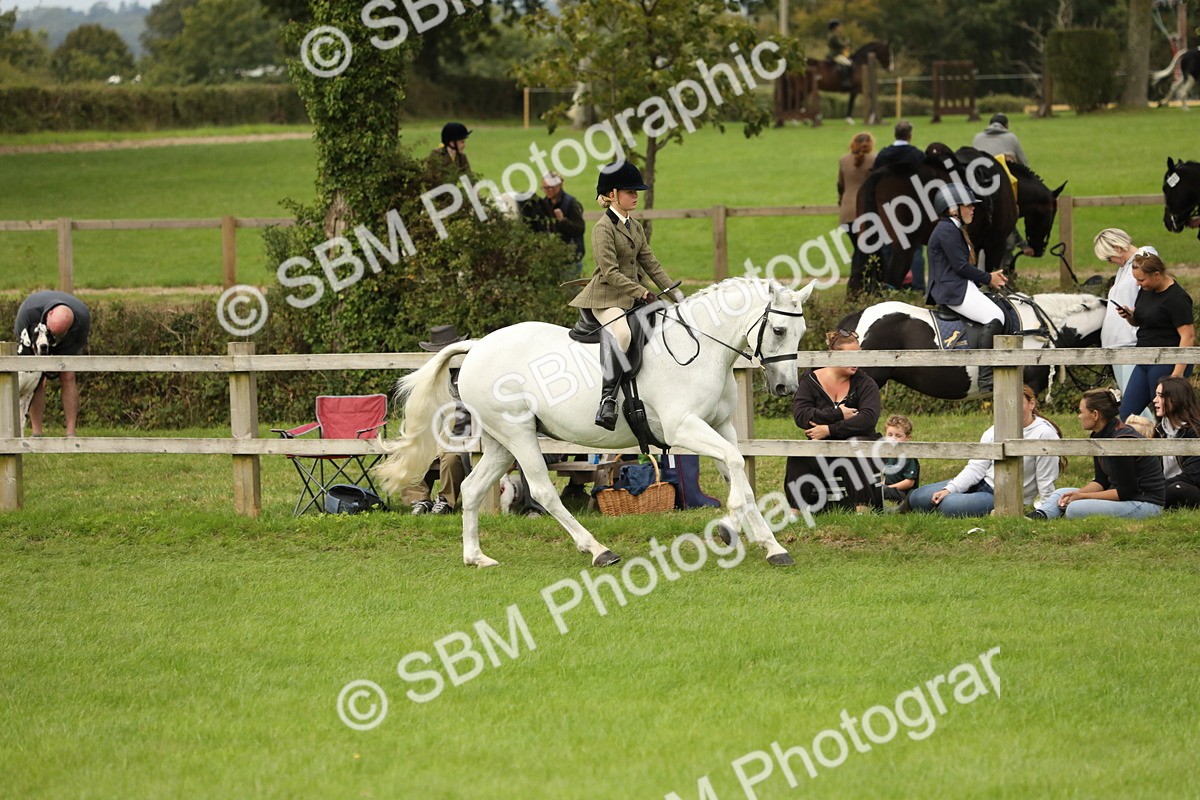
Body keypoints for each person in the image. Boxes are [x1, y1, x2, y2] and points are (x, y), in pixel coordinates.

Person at [569, 161, 682, 430]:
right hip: (606, 298)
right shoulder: (602, 229)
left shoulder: (635, 226)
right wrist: (642, 291)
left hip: (631, 297)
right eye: (630, 191)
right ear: (612, 195)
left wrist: (678, 296)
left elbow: (651, 264)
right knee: (623, 334)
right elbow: (609, 272)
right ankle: (607, 399)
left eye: (636, 191)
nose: (636, 195)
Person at [908, 385, 1061, 517]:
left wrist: (1046, 510)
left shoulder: (1044, 433)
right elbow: (976, 467)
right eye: (1006, 403)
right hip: (981, 482)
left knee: (948, 506)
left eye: (1017, 403)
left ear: (1031, 404)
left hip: (1000, 496)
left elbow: (1045, 479)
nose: (1011, 408)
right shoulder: (995, 429)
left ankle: (958, 504)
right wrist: (950, 489)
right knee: (917, 497)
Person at [1028, 387, 1164, 520]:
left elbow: (1125, 492)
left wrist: (1082, 497)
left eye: (1081, 412)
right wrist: (1075, 494)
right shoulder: (1100, 435)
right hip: (1124, 497)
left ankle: (1057, 512)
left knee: (1075, 508)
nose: (1079, 416)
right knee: (1061, 493)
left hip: (1145, 504)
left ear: (1095, 414)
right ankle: (1039, 516)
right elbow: (1101, 481)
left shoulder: (1121, 441)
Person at [784, 330, 881, 512]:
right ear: (833, 355)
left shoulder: (866, 383)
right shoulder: (810, 380)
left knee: (853, 447)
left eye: (858, 356)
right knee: (799, 455)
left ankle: (863, 512)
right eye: (849, 356)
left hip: (860, 445)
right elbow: (802, 415)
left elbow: (867, 419)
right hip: (823, 447)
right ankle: (794, 513)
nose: (856, 362)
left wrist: (830, 430)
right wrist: (838, 413)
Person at [925, 183, 1008, 392]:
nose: (973, 209)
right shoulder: (946, 230)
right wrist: (988, 278)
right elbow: (960, 266)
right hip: (953, 290)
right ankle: (986, 378)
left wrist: (988, 278)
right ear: (953, 208)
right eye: (969, 205)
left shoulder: (953, 228)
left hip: (961, 285)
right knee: (995, 317)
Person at [1115, 252, 1194, 419]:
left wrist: (1177, 374)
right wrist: (1130, 316)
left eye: (1141, 280)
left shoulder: (1177, 298)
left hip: (1165, 362)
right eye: (1136, 279)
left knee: (1166, 415)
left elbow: (1188, 336)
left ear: (1157, 275)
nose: (1138, 283)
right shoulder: (1147, 290)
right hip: (1144, 359)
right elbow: (1141, 322)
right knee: (1126, 414)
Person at [403, 324, 472, 515]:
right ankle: (419, 499)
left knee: (451, 458)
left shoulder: (467, 371)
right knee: (411, 452)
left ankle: (445, 501)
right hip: (436, 433)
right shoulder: (430, 375)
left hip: (463, 434)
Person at [1092, 228, 1158, 405]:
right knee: (1129, 402)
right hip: (1117, 344)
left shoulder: (1144, 258)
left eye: (1109, 257)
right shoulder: (1125, 268)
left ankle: (1142, 432)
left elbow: (1151, 297)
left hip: (1131, 342)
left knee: (1133, 404)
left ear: (1118, 248)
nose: (1110, 262)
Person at [13, 290, 91, 436]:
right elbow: (22, 341)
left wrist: (60, 359)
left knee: (68, 376)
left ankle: (71, 434)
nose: (53, 336)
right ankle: (37, 433)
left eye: (57, 333)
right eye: (52, 331)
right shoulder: (28, 311)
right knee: (38, 380)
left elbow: (78, 343)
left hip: (67, 342)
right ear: (49, 315)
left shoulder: (82, 317)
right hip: (36, 342)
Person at [872, 121, 926, 290]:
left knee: (888, 247)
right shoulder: (917, 155)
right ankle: (918, 287)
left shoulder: (883, 155)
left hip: (887, 207)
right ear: (910, 135)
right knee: (915, 248)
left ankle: (891, 286)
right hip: (911, 207)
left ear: (895, 134)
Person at [1152, 376, 1200, 509]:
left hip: (1189, 487)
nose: (1154, 400)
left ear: (1176, 399)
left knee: (1177, 490)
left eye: (1160, 396)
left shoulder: (1195, 431)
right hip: (1164, 485)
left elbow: (1194, 476)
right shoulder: (1160, 429)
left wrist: (1156, 487)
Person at [838, 132, 876, 297]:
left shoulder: (843, 160)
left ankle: (858, 288)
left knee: (860, 249)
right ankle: (856, 288)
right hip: (865, 211)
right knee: (863, 251)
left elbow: (840, 185)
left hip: (846, 213)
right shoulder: (874, 159)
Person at [533, 171, 587, 277]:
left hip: (571, 260)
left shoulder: (571, 204)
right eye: (544, 188)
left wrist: (563, 221)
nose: (547, 191)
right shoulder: (543, 205)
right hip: (552, 259)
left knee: (572, 291)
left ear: (559, 185)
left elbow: (580, 229)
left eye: (551, 187)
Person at [878, 414, 919, 507]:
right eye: (890, 435)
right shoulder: (888, 454)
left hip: (904, 494)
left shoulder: (909, 457)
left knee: (883, 492)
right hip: (890, 489)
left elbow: (909, 482)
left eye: (898, 435)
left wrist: (888, 488)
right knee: (873, 488)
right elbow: (887, 477)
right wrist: (881, 485)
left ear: (908, 438)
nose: (893, 438)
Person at [826, 19, 852, 84]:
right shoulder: (834, 35)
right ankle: (845, 80)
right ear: (835, 27)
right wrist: (847, 42)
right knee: (848, 64)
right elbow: (839, 44)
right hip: (836, 55)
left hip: (835, 54)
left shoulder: (832, 34)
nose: (840, 28)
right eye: (839, 26)